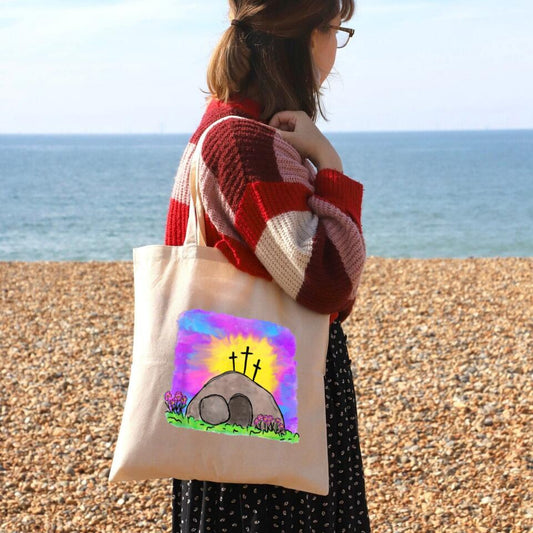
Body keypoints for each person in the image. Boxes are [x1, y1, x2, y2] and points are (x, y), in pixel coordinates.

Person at [164, 1, 370, 531]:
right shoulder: (246, 143)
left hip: (225, 377)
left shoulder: (222, 125)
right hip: (277, 393)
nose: (336, 49)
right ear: (303, 37)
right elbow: (330, 281)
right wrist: (329, 164)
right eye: (336, 30)